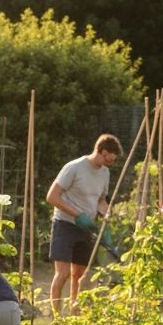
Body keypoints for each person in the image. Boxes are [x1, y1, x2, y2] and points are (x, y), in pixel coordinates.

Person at [47, 134, 122, 315]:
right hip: (65, 224)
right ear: (102, 151)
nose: (110, 163)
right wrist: (77, 214)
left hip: (86, 228)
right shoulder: (74, 168)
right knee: (63, 273)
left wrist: (107, 215)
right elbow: (52, 196)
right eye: (109, 159)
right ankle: (56, 319)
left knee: (79, 274)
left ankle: (75, 315)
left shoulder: (104, 172)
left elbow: (100, 200)